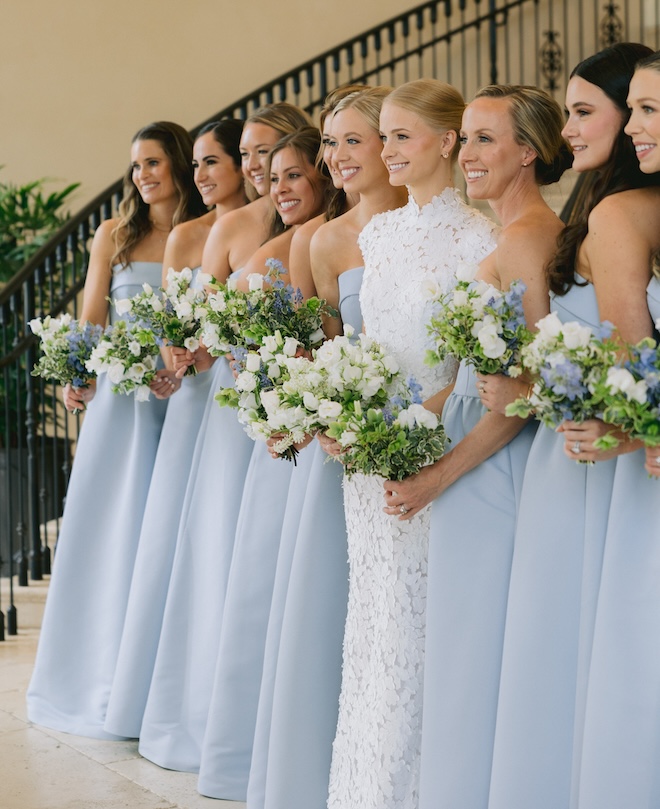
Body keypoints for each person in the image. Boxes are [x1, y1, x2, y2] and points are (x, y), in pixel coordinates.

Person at [484, 43, 660, 809]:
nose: (569, 128)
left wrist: (623, 426)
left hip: (606, 461)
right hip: (599, 454)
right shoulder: (610, 209)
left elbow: (633, 363)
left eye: (585, 111)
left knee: (584, 652)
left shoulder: (619, 214)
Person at [383, 85, 568, 809]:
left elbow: (522, 397)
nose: (466, 153)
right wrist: (395, 430)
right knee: (458, 642)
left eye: (485, 139)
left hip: (487, 469)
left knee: (471, 643)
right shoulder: (503, 234)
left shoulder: (527, 238)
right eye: (464, 138)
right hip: (462, 444)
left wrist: (438, 477)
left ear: (529, 150)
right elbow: (472, 381)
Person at [325, 78, 497, 809]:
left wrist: (402, 431)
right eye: (384, 136)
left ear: (447, 141)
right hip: (367, 460)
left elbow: (471, 372)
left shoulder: (479, 238)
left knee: (424, 630)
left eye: (402, 135)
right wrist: (343, 414)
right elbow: (366, 350)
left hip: (436, 454)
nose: (388, 150)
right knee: (372, 625)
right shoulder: (377, 235)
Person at [136, 103, 312, 774]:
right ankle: (214, 713)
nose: (261, 165)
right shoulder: (234, 227)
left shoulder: (315, 230)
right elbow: (197, 330)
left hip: (293, 407)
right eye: (253, 153)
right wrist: (185, 353)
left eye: (269, 152)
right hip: (234, 411)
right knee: (223, 556)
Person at [249, 86, 408, 809]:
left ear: (392, 144)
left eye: (354, 141)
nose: (338, 158)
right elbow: (325, 348)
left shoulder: (434, 222)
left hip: (428, 428)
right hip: (350, 446)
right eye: (332, 144)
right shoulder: (324, 240)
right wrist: (303, 408)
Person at [26, 121, 204, 738]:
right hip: (123, 404)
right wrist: (77, 375)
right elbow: (92, 316)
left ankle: (154, 678)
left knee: (168, 532)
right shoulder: (115, 235)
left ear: (178, 164)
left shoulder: (203, 233)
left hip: (184, 398)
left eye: (154, 162)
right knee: (117, 526)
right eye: (136, 166)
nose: (142, 175)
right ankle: (98, 672)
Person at [196, 126, 333, 801]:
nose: (275, 187)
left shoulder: (311, 245)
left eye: (292, 176)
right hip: (281, 436)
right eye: (269, 175)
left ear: (323, 176)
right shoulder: (279, 246)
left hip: (312, 436)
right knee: (265, 588)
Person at [103, 119, 247, 738]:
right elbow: (175, 329)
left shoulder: (276, 229)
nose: (205, 175)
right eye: (204, 163)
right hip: (191, 399)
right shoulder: (185, 236)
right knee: (175, 537)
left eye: (220, 161)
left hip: (243, 401)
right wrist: (175, 359)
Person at [558, 50, 660, 809]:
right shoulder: (619, 212)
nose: (641, 128)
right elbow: (636, 364)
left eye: (652, 112)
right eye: (643, 109)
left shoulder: (624, 212)